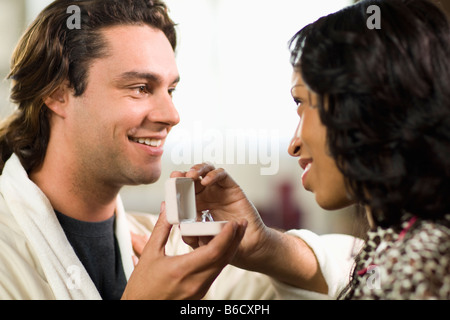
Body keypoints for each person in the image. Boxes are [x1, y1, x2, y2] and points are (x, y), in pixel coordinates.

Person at [175, 0, 450, 299]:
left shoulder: (418, 266)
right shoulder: (393, 249)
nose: (294, 145)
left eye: (302, 103)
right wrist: (264, 244)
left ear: (365, 104)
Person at [0, 0, 264, 300]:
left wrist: (263, 244)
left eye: (171, 90)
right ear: (58, 94)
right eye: (140, 87)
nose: (172, 115)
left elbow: (309, 287)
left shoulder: (173, 248)